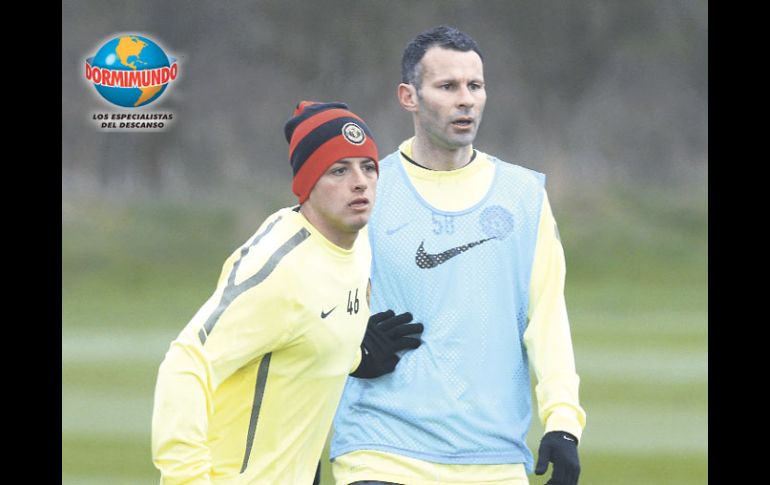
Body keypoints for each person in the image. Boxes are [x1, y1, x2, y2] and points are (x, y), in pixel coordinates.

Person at [330, 26, 587, 485]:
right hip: (381, 451)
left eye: (475, 85)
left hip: (494, 458)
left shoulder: (523, 196)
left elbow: (547, 318)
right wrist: (350, 342)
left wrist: (563, 423)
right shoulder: (366, 191)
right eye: (447, 86)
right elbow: (310, 303)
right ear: (409, 96)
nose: (465, 99)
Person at [151, 101, 423, 485]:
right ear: (307, 183)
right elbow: (186, 363)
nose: (360, 181)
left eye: (368, 167)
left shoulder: (358, 245)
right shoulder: (277, 268)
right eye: (339, 170)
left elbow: (300, 333)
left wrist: (352, 355)